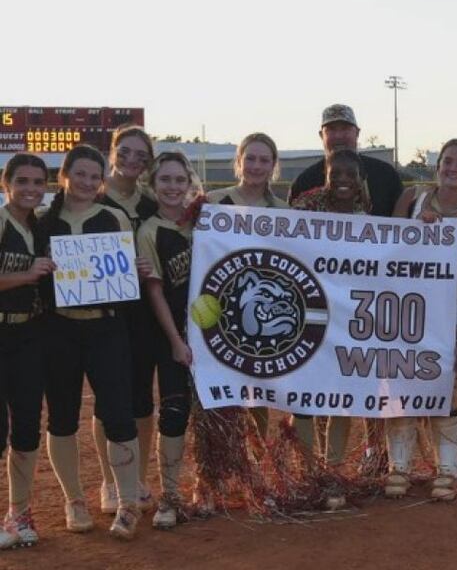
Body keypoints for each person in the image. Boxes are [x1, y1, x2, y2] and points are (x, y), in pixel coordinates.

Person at [36, 144, 153, 539]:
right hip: (59, 331)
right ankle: (74, 500)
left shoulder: (113, 216)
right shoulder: (42, 220)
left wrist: (136, 268)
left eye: (94, 176)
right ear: (64, 175)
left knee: (119, 416)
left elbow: (128, 274)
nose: (87, 182)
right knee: (63, 417)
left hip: (106, 329)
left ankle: (126, 502)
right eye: (80, 174)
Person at [386, 139, 457, 501]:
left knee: (444, 389)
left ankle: (448, 470)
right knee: (400, 385)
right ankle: (400, 467)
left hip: (441, 317)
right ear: (437, 165)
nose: (453, 168)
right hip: (400, 309)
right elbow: (386, 249)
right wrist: (417, 231)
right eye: (447, 161)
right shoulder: (412, 199)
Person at [291, 150, 371, 508]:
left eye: (349, 174)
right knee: (304, 395)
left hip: (346, 317)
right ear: (325, 175)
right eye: (334, 173)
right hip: (306, 312)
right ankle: (309, 474)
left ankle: (333, 471)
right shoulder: (306, 207)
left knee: (342, 393)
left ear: (359, 180)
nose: (342, 179)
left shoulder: (364, 216)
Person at [205, 133, 293, 443]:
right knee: (221, 395)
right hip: (220, 310)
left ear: (273, 166)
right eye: (250, 158)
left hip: (261, 313)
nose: (256, 166)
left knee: (257, 392)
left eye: (264, 160)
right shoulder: (212, 203)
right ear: (239, 161)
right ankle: (220, 469)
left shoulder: (285, 211)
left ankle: (256, 467)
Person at [136, 151, 200, 528]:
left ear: (189, 184)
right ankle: (170, 495)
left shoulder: (207, 221)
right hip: (174, 334)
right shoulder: (148, 231)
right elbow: (156, 291)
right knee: (175, 413)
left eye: (180, 180)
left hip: (216, 337)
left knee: (214, 414)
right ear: (153, 185)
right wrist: (176, 341)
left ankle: (207, 487)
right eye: (166, 180)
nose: (173, 187)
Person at [95, 126, 157, 515]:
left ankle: (137, 479)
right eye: (126, 151)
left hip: (144, 313)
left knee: (142, 402)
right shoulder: (93, 197)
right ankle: (108, 483)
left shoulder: (150, 203)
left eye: (141, 155)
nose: (133, 160)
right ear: (113, 151)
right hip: (104, 314)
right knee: (107, 402)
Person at [0, 154, 55, 549]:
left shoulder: (40, 226)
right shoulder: (2, 222)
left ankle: (18, 512)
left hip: (31, 337)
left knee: (26, 428)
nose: (31, 188)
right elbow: (30, 274)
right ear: (7, 183)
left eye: (38, 182)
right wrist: (26, 274)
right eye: (23, 181)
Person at [288, 104, 404, 218]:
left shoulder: (386, 175)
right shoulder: (305, 181)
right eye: (331, 130)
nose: (338, 136)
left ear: (357, 133)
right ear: (321, 135)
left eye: (345, 129)